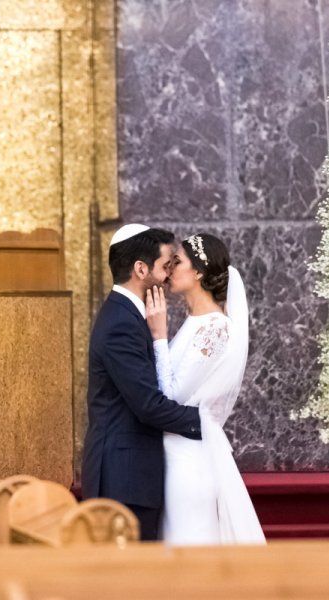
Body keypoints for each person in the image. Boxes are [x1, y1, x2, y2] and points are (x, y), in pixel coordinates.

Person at [80, 224, 202, 541]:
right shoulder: (121, 323)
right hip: (123, 481)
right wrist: (206, 421)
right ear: (140, 268)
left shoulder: (128, 315)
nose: (167, 276)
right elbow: (148, 405)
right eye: (164, 267)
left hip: (130, 476)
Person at [145, 232, 265, 545]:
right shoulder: (193, 322)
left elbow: (172, 396)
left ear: (198, 272)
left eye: (178, 262)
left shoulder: (215, 327)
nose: (170, 269)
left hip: (188, 461)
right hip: (172, 455)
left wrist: (158, 335)